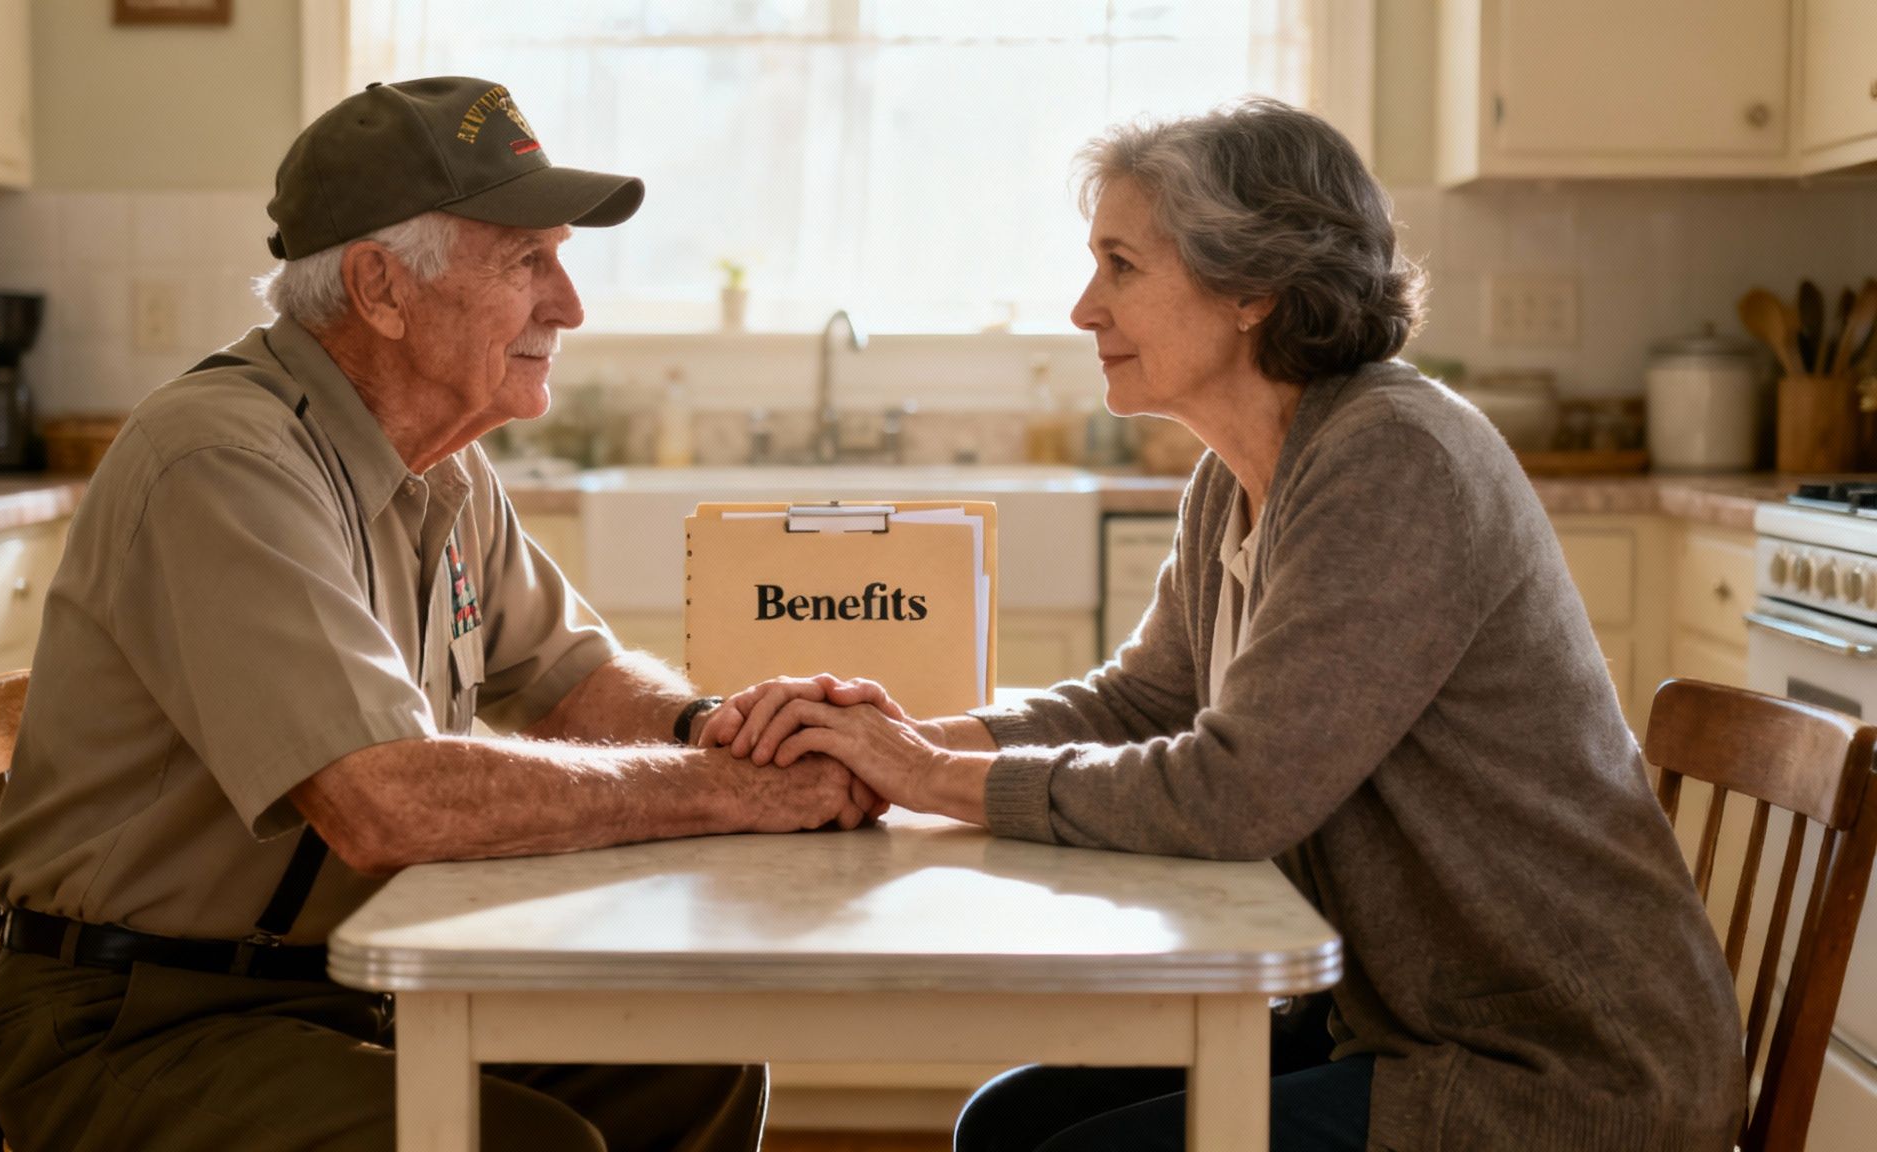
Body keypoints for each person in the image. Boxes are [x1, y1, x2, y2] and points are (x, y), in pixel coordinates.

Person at [700, 99, 1745, 1152]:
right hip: (1393, 1024)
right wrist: (904, 741)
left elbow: (1235, 794)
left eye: (1119, 266)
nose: (1081, 308)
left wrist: (921, 777)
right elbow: (1141, 700)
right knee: (1008, 1128)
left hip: (1559, 1073)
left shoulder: (1393, 460)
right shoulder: (1239, 469)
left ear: (1250, 286)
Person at [0, 76, 881, 1152]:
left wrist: (727, 729)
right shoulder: (222, 462)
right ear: (379, 287)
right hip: (144, 1028)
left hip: (346, 988)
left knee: (694, 1066)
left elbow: (571, 677)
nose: (570, 306)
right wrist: (735, 791)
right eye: (524, 262)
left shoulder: (440, 461)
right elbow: (386, 805)